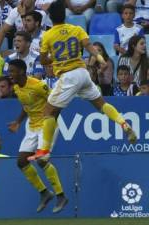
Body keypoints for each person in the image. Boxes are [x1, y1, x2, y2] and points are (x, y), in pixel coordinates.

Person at [28, 0, 137, 162]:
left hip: (67, 76)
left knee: (48, 112)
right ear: (65, 15)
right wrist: (101, 59)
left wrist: (54, 58)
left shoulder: (48, 35)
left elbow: (43, 61)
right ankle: (124, 124)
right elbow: (90, 48)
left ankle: (44, 152)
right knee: (101, 104)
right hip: (83, 72)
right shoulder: (76, 29)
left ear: (50, 17)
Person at [7, 59, 67, 213]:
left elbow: (56, 102)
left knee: (41, 160)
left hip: (47, 125)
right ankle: (44, 193)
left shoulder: (39, 85)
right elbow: (26, 106)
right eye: (9, 71)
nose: (10, 74)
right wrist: (18, 122)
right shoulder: (16, 87)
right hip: (32, 126)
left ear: (21, 71)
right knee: (21, 161)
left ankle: (61, 196)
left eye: (12, 71)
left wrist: (51, 121)